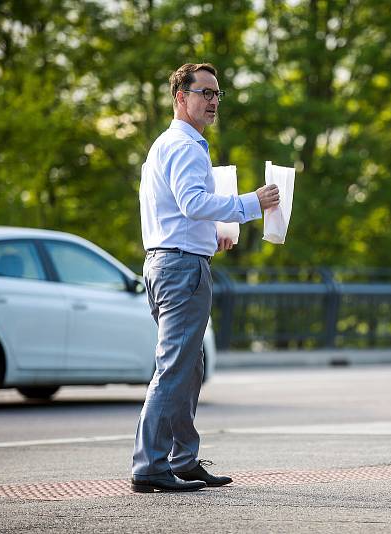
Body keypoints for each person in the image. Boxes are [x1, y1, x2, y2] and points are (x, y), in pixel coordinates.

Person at [131, 62, 280, 493]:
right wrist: (252, 203)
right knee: (175, 366)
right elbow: (193, 201)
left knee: (188, 365)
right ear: (181, 97)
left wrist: (212, 236)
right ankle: (149, 465)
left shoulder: (169, 144)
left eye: (218, 94)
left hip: (170, 259)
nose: (213, 101)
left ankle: (182, 458)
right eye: (205, 93)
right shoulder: (184, 145)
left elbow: (177, 212)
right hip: (180, 269)